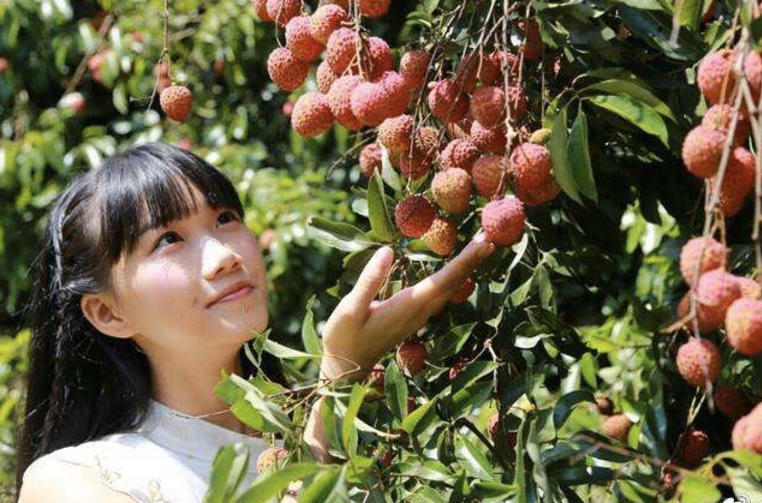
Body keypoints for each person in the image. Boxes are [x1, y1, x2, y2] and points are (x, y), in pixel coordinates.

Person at [14, 142, 494, 502]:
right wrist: (340, 373)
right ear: (108, 312)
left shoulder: (378, 425)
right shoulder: (72, 480)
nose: (224, 256)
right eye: (167, 240)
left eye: (225, 218)